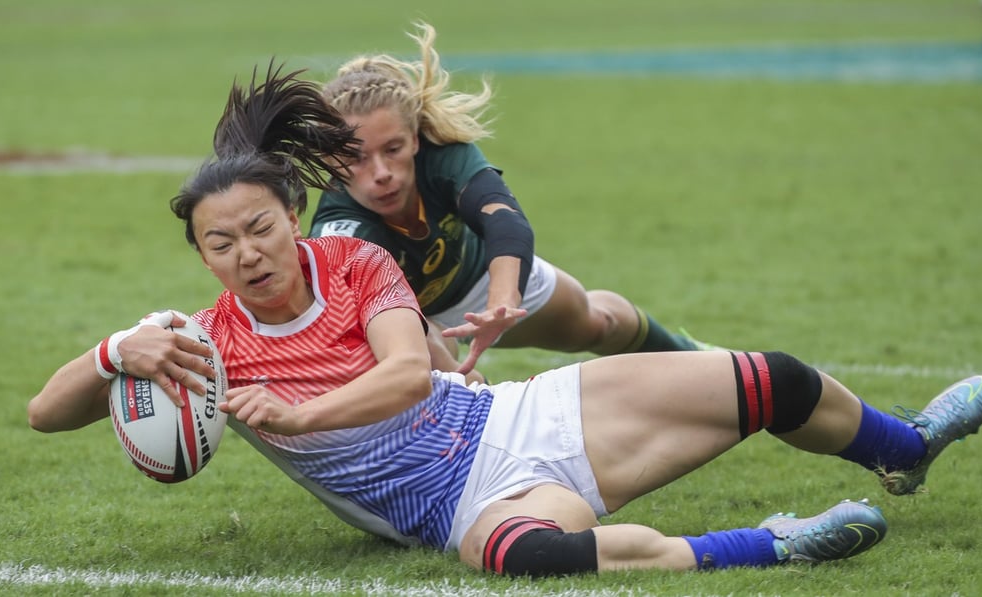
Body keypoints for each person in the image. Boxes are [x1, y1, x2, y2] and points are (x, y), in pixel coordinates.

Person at [29, 63, 982, 578]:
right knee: (531, 556)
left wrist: (299, 413)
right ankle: (777, 542)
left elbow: (408, 373)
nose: (247, 252)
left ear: (291, 218)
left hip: (516, 422)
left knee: (770, 378)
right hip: (456, 509)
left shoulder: (354, 259)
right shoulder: (206, 345)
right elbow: (46, 411)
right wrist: (119, 349)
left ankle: (901, 447)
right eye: (220, 242)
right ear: (200, 255)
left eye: (260, 227)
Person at [308, 22, 718, 378]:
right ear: (330, 161)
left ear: (414, 139)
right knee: (424, 360)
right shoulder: (338, 228)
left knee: (596, 323)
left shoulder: (443, 157)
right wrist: (458, 379)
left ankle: (701, 363)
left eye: (393, 148)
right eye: (355, 158)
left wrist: (501, 305)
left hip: (484, 278)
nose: (380, 171)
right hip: (409, 317)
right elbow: (374, 321)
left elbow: (505, 223)